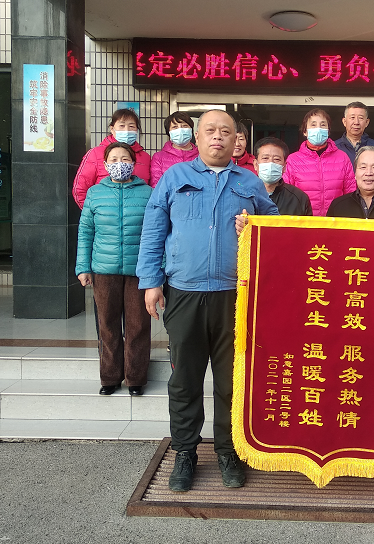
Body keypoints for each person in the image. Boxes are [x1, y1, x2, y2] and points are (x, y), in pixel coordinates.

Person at [136, 109, 279, 493]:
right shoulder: (174, 177)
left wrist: (255, 228)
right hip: (184, 293)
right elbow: (153, 230)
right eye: (210, 131)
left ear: (237, 141)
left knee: (232, 381)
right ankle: (185, 452)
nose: (218, 137)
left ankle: (229, 452)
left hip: (235, 297)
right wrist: (151, 281)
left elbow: (276, 229)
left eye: (226, 132)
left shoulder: (250, 182)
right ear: (197, 138)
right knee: (185, 379)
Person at [75, 142, 153, 396]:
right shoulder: (95, 193)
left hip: (138, 271)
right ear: (106, 164)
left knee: (138, 326)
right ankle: (109, 377)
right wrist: (83, 267)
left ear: (134, 163)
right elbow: (85, 232)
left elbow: (157, 232)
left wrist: (158, 268)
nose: (120, 164)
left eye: (125, 159)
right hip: (103, 270)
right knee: (107, 325)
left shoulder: (148, 193)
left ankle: (135, 379)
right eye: (114, 159)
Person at [282, 108, 356, 216]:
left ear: (328, 131)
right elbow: (286, 195)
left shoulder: (342, 158)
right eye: (313, 125)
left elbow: (351, 192)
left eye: (323, 125)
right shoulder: (293, 160)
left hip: (335, 220)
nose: (318, 129)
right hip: (305, 220)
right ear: (305, 131)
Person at [73, 108, 151, 209]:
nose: (126, 130)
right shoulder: (95, 154)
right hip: (104, 215)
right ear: (112, 129)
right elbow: (80, 190)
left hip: (137, 216)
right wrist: (94, 213)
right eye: (122, 126)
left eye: (131, 126)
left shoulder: (145, 157)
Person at [252, 136, 312, 216]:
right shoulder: (244, 195)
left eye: (277, 159)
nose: (271, 163)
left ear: (284, 167)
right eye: (265, 158)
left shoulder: (299, 198)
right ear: (255, 164)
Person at [149, 111, 199, 187]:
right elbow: (156, 186)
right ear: (169, 132)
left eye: (184, 126)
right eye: (175, 127)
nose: (180, 130)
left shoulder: (202, 155)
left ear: (191, 130)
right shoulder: (159, 157)